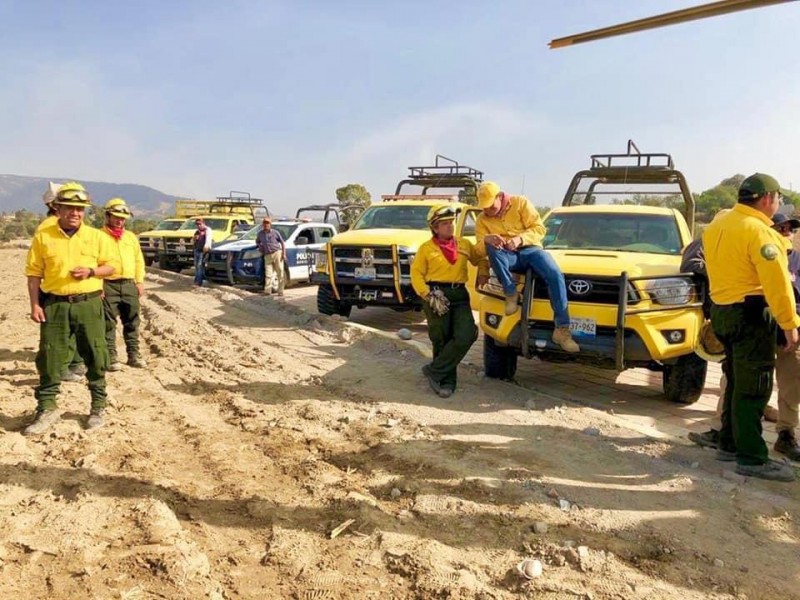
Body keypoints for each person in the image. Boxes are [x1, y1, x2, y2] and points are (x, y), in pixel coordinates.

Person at [703, 173, 800, 481]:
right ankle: (753, 457)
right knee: (754, 387)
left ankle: (728, 442)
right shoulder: (761, 232)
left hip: (722, 312)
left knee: (735, 380)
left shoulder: (718, 225)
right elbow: (778, 285)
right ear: (767, 198)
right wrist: (790, 324)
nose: (779, 204)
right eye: (779, 199)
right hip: (750, 316)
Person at [23, 182, 117, 434]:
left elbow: (111, 267)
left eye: (80, 209)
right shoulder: (44, 237)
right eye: (69, 208)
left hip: (89, 304)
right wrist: (34, 305)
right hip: (54, 306)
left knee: (96, 355)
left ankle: (98, 406)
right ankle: (47, 408)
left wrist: (91, 271)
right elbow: (33, 275)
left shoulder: (96, 237)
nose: (75, 213)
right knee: (50, 357)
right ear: (58, 208)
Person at [475, 181, 579, 353]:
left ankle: (562, 330)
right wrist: (486, 241)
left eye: (490, 206)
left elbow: (539, 228)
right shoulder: (482, 219)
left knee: (554, 274)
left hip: (531, 250)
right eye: (484, 207)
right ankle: (511, 292)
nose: (487, 211)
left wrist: (519, 239)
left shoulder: (520, 203)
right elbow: (478, 251)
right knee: (491, 247)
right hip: (508, 257)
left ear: (500, 197)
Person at [411, 205, 489, 397]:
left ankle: (434, 370)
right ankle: (447, 382)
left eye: (451, 223)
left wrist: (484, 272)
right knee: (441, 339)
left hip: (459, 295)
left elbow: (480, 258)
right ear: (435, 228)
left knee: (467, 333)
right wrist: (427, 294)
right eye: (444, 224)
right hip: (436, 295)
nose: (449, 227)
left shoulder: (463, 244)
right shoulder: (426, 249)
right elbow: (416, 274)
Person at [101, 198, 147, 371]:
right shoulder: (98, 236)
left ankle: (134, 355)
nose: (119, 221)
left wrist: (139, 281)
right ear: (107, 216)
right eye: (116, 217)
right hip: (108, 285)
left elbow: (138, 261)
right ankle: (111, 358)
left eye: (122, 218)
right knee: (108, 323)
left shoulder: (131, 238)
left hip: (129, 284)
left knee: (132, 322)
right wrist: (98, 285)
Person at [256, 217, 286, 296]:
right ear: (263, 224)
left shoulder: (275, 233)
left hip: (277, 253)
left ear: (270, 224)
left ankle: (280, 291)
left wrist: (284, 253)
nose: (266, 225)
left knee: (280, 272)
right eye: (265, 223)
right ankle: (267, 291)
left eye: (268, 223)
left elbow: (282, 242)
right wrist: (260, 247)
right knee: (268, 274)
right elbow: (257, 241)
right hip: (267, 255)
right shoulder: (260, 234)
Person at [192, 217, 213, 287]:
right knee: (196, 266)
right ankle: (196, 279)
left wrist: (206, 248)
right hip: (197, 250)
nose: (198, 226)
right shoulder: (197, 231)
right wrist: (194, 239)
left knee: (200, 266)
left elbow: (208, 240)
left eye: (200, 224)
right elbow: (193, 241)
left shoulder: (207, 230)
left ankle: (198, 282)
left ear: (203, 223)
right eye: (197, 224)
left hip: (202, 251)